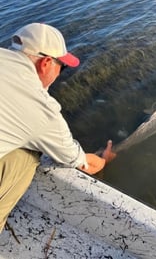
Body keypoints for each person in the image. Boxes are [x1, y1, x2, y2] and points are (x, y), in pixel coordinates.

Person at [0, 22, 115, 232]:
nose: (60, 73)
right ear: (45, 63)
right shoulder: (41, 108)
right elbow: (82, 163)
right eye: (61, 67)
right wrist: (104, 159)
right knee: (29, 154)